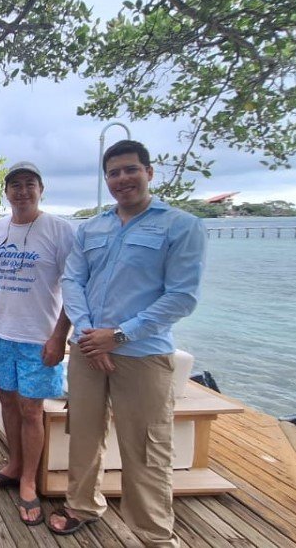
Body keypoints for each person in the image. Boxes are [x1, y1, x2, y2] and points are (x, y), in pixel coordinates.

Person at [48, 140, 206, 547]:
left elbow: (181, 296)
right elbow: (73, 281)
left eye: (131, 170)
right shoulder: (91, 228)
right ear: (107, 179)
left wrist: (117, 336)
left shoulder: (180, 226)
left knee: (147, 447)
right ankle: (82, 505)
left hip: (142, 354)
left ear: (149, 172)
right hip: (87, 350)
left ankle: (153, 534)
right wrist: (89, 335)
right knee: (83, 433)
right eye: (114, 173)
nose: (123, 179)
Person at [0, 162, 75, 525]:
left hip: (39, 337)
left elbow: (73, 287)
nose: (21, 191)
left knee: (32, 410)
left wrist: (59, 335)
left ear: (41, 188)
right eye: (15, 185)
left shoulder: (59, 230)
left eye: (29, 184)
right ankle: (14, 464)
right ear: (6, 192)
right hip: (0, 333)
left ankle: (29, 482)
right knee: (6, 400)